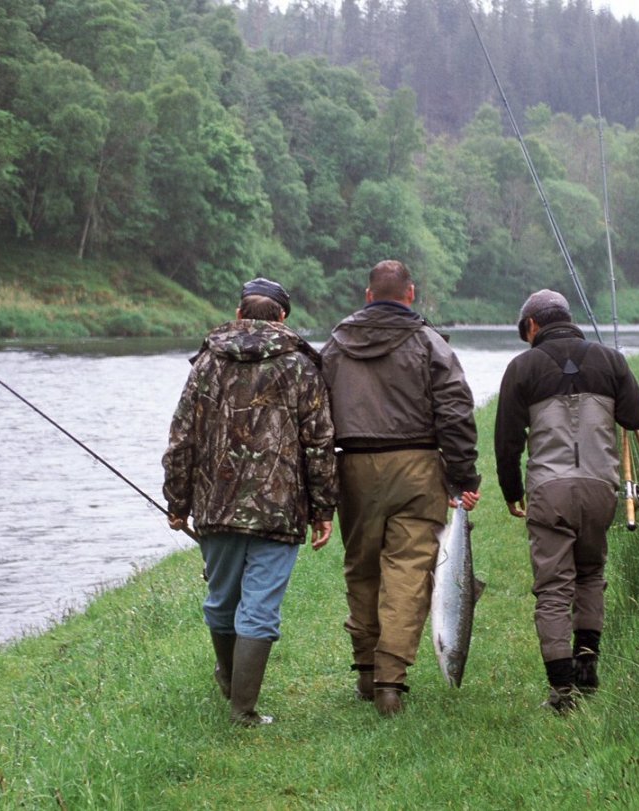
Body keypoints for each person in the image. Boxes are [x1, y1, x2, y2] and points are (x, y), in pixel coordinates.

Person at [162, 277, 337, 726]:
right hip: (280, 509)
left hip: (216, 505)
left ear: (240, 314)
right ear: (283, 318)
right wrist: (323, 510)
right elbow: (319, 442)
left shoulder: (205, 363)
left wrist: (177, 501)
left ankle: (229, 677)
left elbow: (181, 438)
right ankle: (243, 709)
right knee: (258, 606)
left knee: (221, 600)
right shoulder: (302, 366)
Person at [321, 259, 481, 716]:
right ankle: (390, 680)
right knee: (408, 573)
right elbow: (455, 411)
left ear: (369, 296)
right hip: (417, 467)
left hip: (352, 466)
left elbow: (315, 412)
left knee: (362, 567)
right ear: (410, 294)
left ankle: (366, 671)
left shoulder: (335, 345)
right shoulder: (430, 343)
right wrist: (463, 475)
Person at [494, 289, 639, 714]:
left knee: (552, 588)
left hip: (550, 490)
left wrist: (512, 492)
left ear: (532, 326)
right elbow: (636, 417)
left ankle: (562, 692)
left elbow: (507, 442)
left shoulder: (522, 367)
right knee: (591, 574)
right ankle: (586, 664)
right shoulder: (610, 359)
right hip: (602, 489)